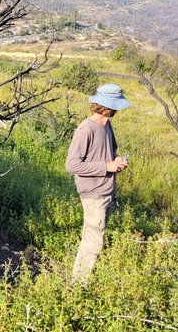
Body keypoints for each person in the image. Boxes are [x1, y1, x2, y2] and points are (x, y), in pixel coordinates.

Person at [65, 83, 130, 284]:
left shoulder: (106, 124)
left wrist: (116, 161)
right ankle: (77, 287)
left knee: (96, 238)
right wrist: (106, 166)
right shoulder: (86, 129)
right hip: (93, 193)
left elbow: (109, 152)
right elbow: (72, 165)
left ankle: (83, 279)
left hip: (107, 190)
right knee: (93, 243)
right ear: (108, 106)